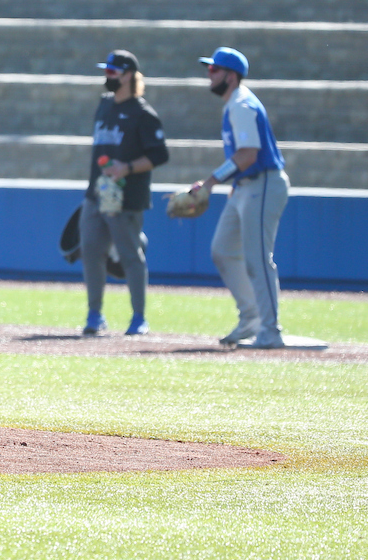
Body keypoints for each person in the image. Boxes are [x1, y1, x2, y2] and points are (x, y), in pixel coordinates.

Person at [189, 47, 289, 349]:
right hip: (246, 186)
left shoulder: (242, 104)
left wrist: (211, 182)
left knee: (258, 259)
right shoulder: (233, 103)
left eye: (214, 70)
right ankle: (251, 318)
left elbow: (248, 154)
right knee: (222, 250)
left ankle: (270, 330)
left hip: (263, 183)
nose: (209, 75)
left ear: (230, 77)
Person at [79, 49, 169, 336]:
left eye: (112, 72)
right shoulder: (104, 105)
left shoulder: (143, 114)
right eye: (106, 71)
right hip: (97, 194)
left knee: (130, 256)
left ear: (128, 75)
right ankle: (95, 314)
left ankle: (139, 317)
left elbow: (159, 155)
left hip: (127, 198)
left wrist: (127, 167)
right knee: (91, 251)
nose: (107, 76)